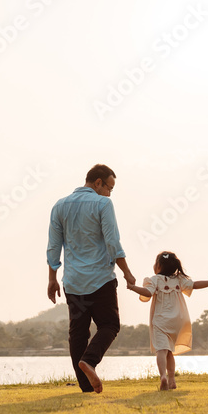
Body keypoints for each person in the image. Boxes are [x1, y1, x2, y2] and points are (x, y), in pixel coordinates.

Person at [47, 164, 137, 393]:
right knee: (110, 324)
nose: (109, 193)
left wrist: (52, 278)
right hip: (100, 279)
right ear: (98, 183)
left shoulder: (59, 206)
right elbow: (112, 242)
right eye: (109, 187)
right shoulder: (103, 203)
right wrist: (127, 272)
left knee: (78, 332)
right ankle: (90, 361)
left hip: (73, 281)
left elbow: (53, 247)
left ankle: (85, 387)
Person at [127, 251, 208, 391]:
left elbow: (147, 293)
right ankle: (172, 380)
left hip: (161, 320)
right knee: (169, 351)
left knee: (161, 351)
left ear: (158, 266)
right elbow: (195, 285)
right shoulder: (179, 280)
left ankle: (163, 376)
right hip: (178, 319)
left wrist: (133, 288)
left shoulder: (154, 280)